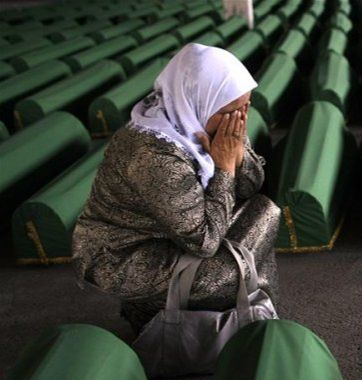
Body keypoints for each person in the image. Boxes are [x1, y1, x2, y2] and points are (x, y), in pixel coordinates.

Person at [72, 43, 281, 335]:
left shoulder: (211, 116)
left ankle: (254, 318)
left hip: (179, 233)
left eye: (246, 106)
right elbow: (205, 242)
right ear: (197, 100)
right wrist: (223, 168)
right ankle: (150, 311)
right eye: (233, 111)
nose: (240, 119)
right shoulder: (152, 153)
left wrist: (237, 156)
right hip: (129, 256)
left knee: (265, 212)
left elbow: (251, 186)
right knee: (233, 271)